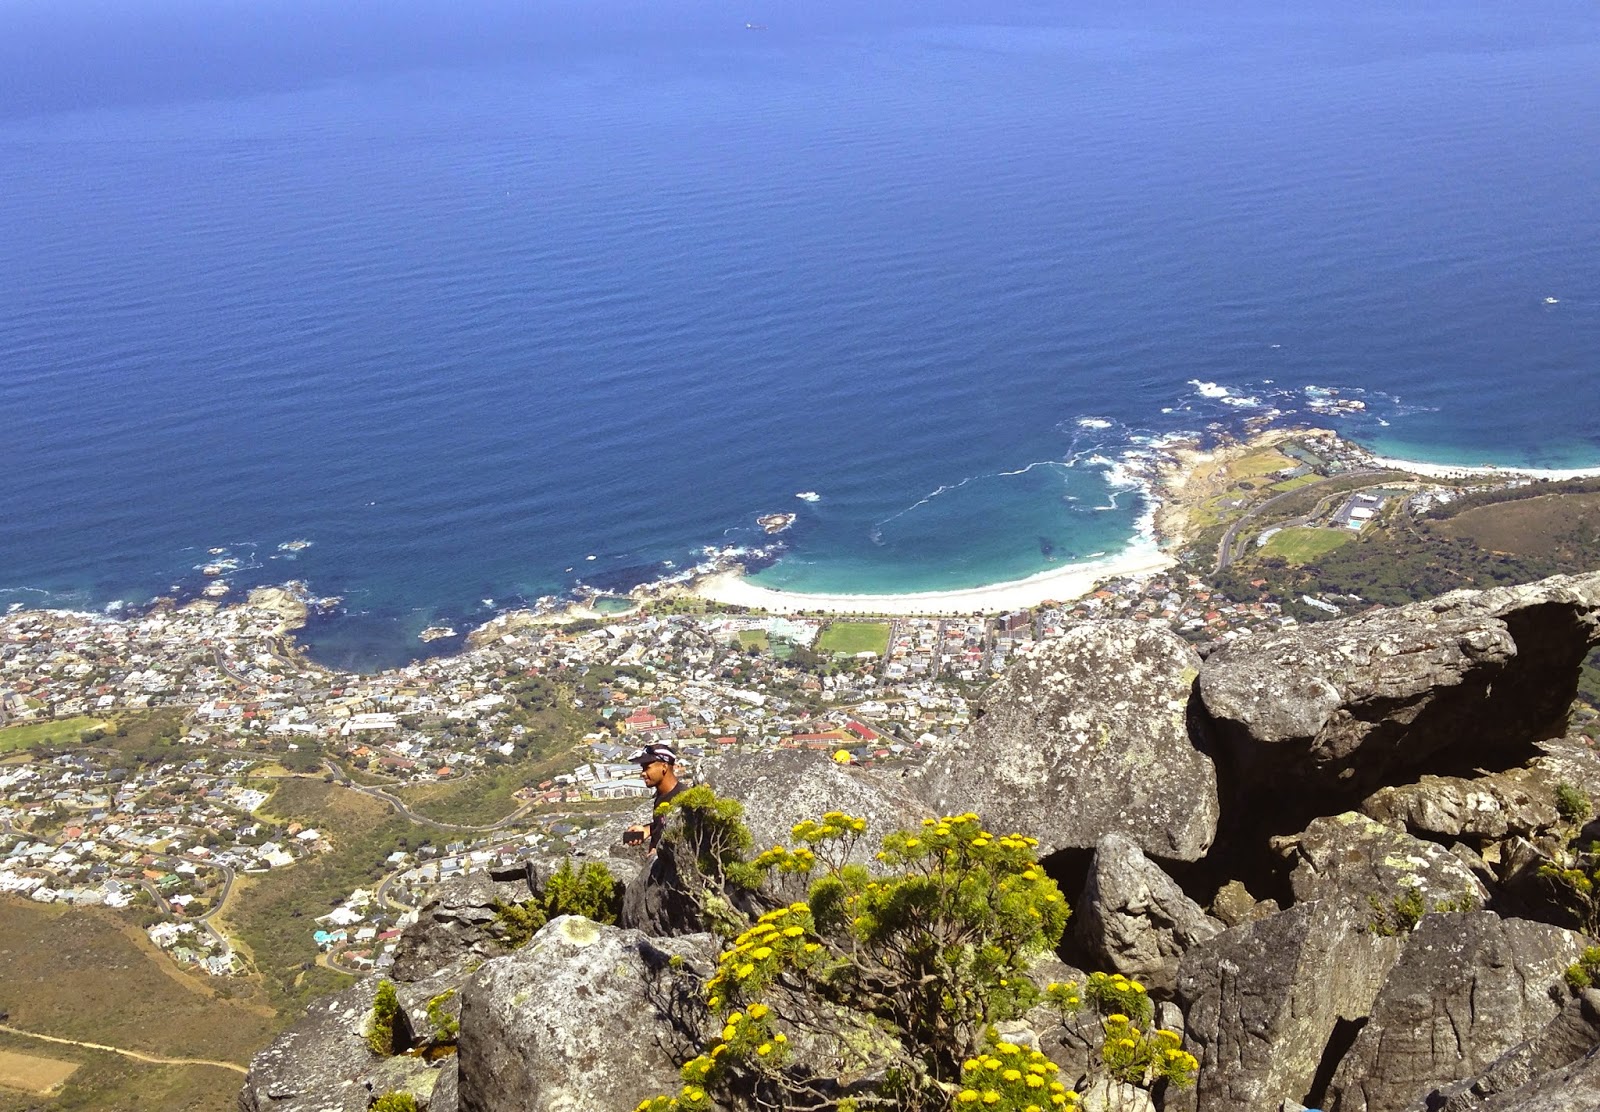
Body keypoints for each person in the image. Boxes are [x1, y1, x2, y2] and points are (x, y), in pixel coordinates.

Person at [625, 743, 686, 853]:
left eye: (647, 768)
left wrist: (659, 853)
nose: (643, 773)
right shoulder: (662, 795)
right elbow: (665, 824)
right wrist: (646, 830)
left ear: (664, 767)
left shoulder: (682, 798)